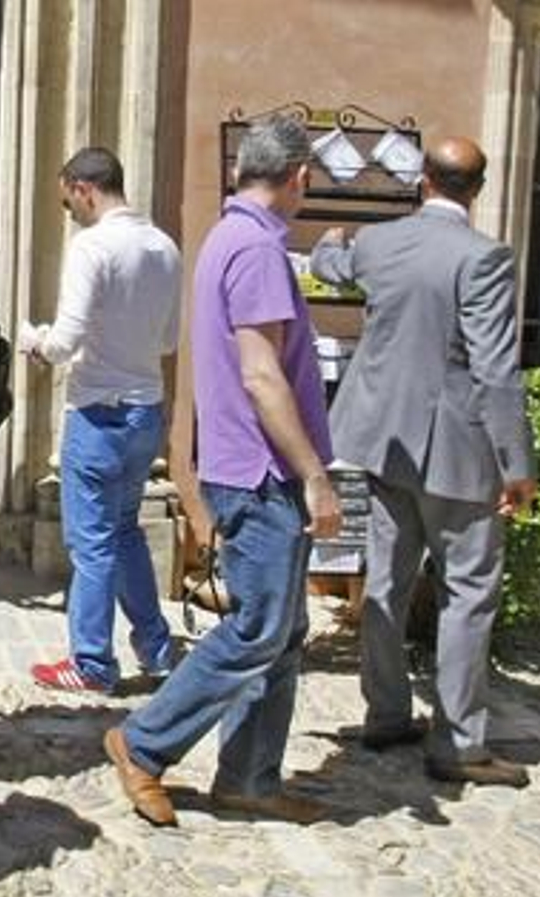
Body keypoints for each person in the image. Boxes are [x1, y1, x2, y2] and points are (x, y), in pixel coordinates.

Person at [104, 116, 341, 827]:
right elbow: (263, 375)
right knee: (260, 629)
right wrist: (315, 476)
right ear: (298, 176)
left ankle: (249, 778)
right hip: (263, 473)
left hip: (241, 465)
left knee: (281, 630)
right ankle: (144, 743)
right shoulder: (260, 251)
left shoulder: (226, 238)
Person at [310, 137, 537, 787]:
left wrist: (330, 241)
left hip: (385, 440)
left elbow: (332, 263)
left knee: (386, 577)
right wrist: (516, 464)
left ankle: (385, 713)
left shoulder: (379, 243)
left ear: (423, 182)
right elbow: (495, 369)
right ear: (479, 187)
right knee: (467, 591)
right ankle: (459, 744)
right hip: (458, 450)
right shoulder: (486, 256)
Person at [22, 147, 179, 695]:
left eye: (69, 199)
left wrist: (34, 341)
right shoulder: (164, 245)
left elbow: (64, 342)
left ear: (83, 188)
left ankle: (91, 662)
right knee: (126, 531)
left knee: (91, 544)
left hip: (98, 412)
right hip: (146, 408)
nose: (70, 210)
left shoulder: (91, 247)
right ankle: (157, 649)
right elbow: (168, 340)